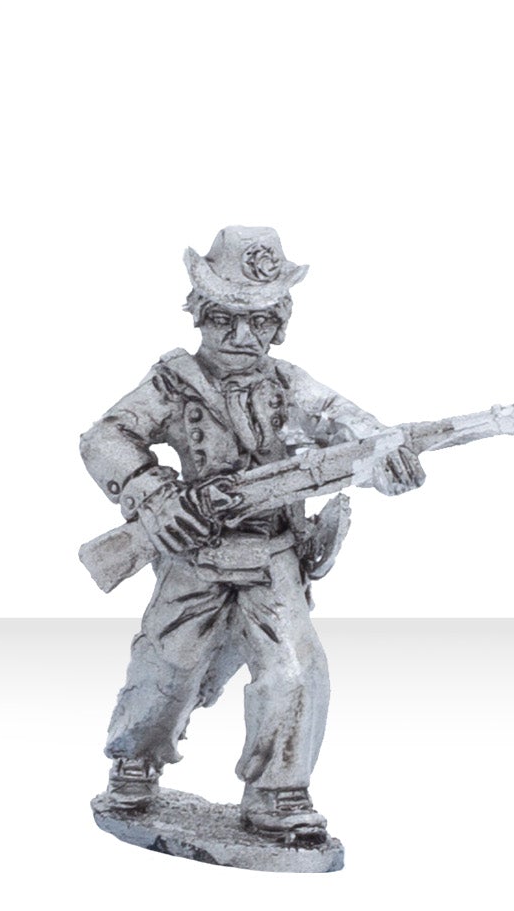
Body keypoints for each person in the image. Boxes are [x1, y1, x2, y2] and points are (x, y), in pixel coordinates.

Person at [80, 227, 424, 846]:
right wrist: (153, 493)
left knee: (294, 670)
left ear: (280, 324)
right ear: (199, 316)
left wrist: (385, 453)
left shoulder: (289, 384)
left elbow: (348, 424)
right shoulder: (173, 384)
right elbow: (106, 437)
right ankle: (135, 763)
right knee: (166, 665)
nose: (242, 336)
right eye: (224, 319)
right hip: (195, 551)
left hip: (274, 556)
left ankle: (279, 792)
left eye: (260, 322)